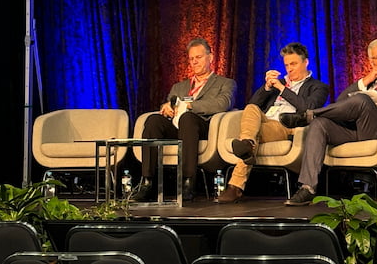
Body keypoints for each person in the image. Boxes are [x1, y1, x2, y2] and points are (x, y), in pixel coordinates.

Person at [279, 38, 377, 206]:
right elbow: (341, 101)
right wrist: (367, 80)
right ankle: (307, 188)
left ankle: (308, 115)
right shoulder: (371, 81)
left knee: (362, 100)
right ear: (371, 61)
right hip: (355, 130)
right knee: (320, 124)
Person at [217, 42, 329, 203]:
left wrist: (283, 89)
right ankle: (247, 143)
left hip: (287, 125)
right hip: (265, 121)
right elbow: (253, 105)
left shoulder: (318, 87)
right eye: (287, 65)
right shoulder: (278, 83)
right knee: (251, 109)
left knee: (252, 134)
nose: (289, 69)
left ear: (306, 62)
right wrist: (267, 87)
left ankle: (235, 186)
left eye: (294, 64)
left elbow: (308, 108)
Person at [132, 37, 236, 202]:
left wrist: (190, 105)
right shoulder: (179, 87)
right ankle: (147, 182)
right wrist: (166, 107)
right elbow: (170, 104)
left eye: (199, 57)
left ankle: (188, 181)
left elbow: (222, 104)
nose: (194, 62)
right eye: (191, 59)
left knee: (188, 118)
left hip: (203, 126)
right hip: (177, 125)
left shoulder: (225, 83)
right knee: (153, 120)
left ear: (210, 57)